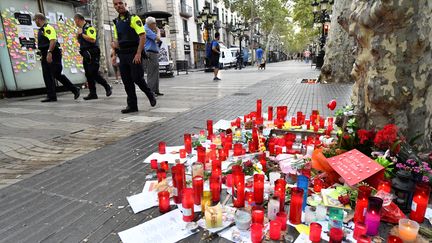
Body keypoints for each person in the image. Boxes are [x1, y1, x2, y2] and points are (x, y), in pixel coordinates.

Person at [111, 0, 156, 113]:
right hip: (122, 54)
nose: (118, 6)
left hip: (134, 53)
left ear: (125, 4)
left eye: (120, 3)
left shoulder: (134, 18)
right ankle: (132, 106)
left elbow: (142, 36)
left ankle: (150, 94)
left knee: (137, 78)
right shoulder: (116, 21)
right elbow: (116, 40)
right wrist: (113, 53)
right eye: (115, 4)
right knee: (127, 81)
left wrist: (138, 53)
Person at [34, 13, 80, 102]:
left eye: (35, 20)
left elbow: (53, 40)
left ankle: (74, 89)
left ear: (38, 19)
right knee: (48, 75)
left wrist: (49, 52)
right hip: (46, 53)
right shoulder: (42, 29)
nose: (35, 22)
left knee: (55, 73)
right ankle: (52, 96)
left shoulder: (48, 28)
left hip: (52, 53)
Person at [73, 13, 112, 100]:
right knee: (88, 74)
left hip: (93, 53)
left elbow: (92, 39)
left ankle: (107, 86)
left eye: (75, 20)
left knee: (93, 73)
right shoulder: (81, 29)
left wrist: (82, 34)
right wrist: (78, 35)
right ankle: (93, 93)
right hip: (85, 54)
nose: (74, 22)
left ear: (78, 19)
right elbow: (80, 41)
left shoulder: (89, 28)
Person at [144, 17, 163, 97]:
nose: (155, 25)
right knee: (151, 72)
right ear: (151, 24)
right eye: (155, 23)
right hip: (150, 53)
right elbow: (158, 38)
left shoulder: (149, 30)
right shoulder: (146, 29)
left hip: (153, 53)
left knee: (155, 72)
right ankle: (151, 91)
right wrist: (158, 31)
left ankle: (155, 90)